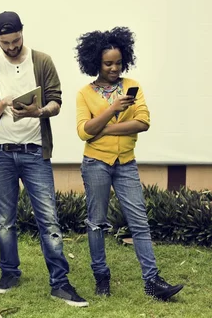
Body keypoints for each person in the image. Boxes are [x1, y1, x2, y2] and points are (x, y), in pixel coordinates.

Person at [0, 11, 88, 307]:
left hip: (35, 151)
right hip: (1, 151)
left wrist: (36, 111)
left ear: (22, 33)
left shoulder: (42, 61)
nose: (11, 48)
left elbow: (56, 101)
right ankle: (9, 273)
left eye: (15, 41)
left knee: (49, 220)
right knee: (4, 220)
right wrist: (3, 103)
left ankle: (60, 282)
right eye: (5, 44)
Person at [75, 27, 183, 301]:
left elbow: (143, 122)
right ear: (95, 63)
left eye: (118, 63)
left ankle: (152, 282)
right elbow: (84, 131)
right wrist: (113, 110)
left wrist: (107, 129)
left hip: (126, 163)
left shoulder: (133, 86)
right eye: (107, 63)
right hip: (96, 163)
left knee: (139, 222)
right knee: (97, 223)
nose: (114, 68)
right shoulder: (85, 94)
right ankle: (102, 277)